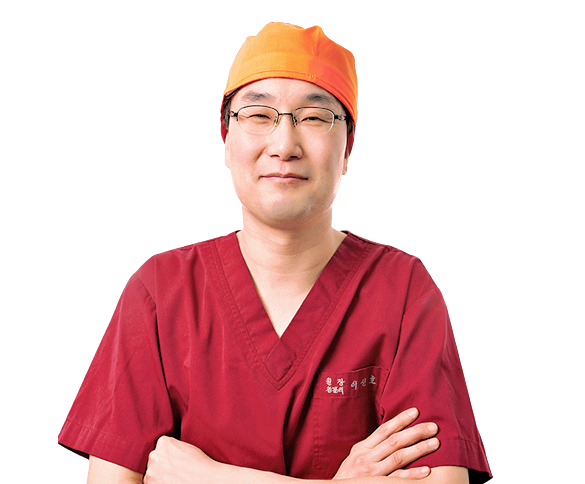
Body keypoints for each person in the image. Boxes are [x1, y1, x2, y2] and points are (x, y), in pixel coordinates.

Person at [59, 23, 492, 484]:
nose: (284, 145)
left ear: (347, 151)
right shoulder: (161, 292)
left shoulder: (402, 291)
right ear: (227, 144)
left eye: (315, 117)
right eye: (258, 114)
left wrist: (212, 478)